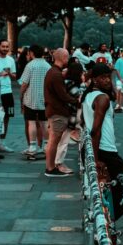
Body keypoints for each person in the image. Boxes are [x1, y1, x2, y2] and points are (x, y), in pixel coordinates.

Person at [81, 63, 123, 223]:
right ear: (94, 80)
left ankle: (105, 223)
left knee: (109, 189)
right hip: (104, 151)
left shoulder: (87, 96)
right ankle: (108, 222)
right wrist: (96, 159)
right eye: (103, 78)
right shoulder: (102, 98)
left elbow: (83, 123)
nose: (107, 80)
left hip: (97, 149)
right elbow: (95, 130)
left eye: (109, 77)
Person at [43, 48, 79, 178]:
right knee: (54, 141)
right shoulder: (56, 74)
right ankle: (50, 168)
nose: (68, 60)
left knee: (53, 141)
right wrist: (76, 100)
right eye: (67, 57)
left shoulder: (53, 72)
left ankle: (50, 166)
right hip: (57, 112)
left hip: (54, 110)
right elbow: (63, 95)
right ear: (63, 57)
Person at [19, 44, 51, 160]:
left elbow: (24, 83)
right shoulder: (48, 66)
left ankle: (32, 146)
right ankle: (46, 146)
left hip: (30, 99)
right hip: (44, 99)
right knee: (44, 123)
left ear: (32, 53)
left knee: (31, 122)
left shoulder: (30, 65)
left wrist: (21, 94)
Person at [0, 39, 17, 153]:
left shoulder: (10, 60)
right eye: (3, 46)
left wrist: (9, 73)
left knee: (6, 118)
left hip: (8, 92)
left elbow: (14, 76)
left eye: (7, 47)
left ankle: (2, 143)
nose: (5, 48)